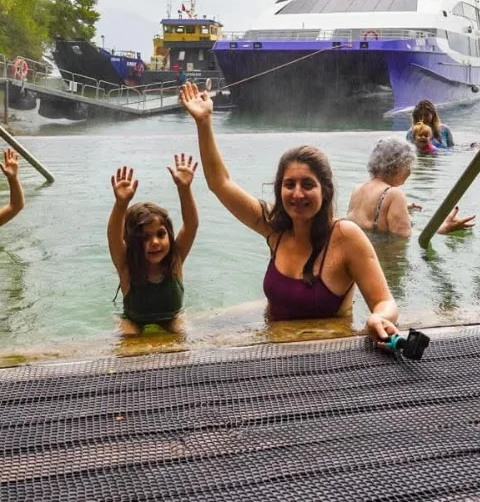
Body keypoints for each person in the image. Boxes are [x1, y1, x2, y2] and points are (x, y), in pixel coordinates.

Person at [179, 82, 399, 345]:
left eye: (308, 185)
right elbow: (220, 184)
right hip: (273, 350)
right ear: (279, 189)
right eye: (289, 184)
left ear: (325, 191)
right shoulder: (275, 228)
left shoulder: (345, 236)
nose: (297, 194)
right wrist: (204, 122)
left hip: (328, 354)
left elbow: (385, 301)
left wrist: (379, 317)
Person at [108, 154, 199, 334]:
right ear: (132, 242)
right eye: (145, 237)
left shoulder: (175, 260)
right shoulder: (126, 267)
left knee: (182, 330)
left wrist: (184, 189)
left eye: (160, 234)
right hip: (134, 321)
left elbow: (191, 225)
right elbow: (113, 238)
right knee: (128, 335)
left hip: (172, 317)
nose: (155, 242)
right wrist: (121, 204)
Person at [347, 138, 474, 237]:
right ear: (397, 166)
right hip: (385, 260)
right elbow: (404, 237)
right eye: (408, 165)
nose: (410, 172)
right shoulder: (393, 194)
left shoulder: (357, 190)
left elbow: (368, 224)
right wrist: (442, 228)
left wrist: (400, 209)